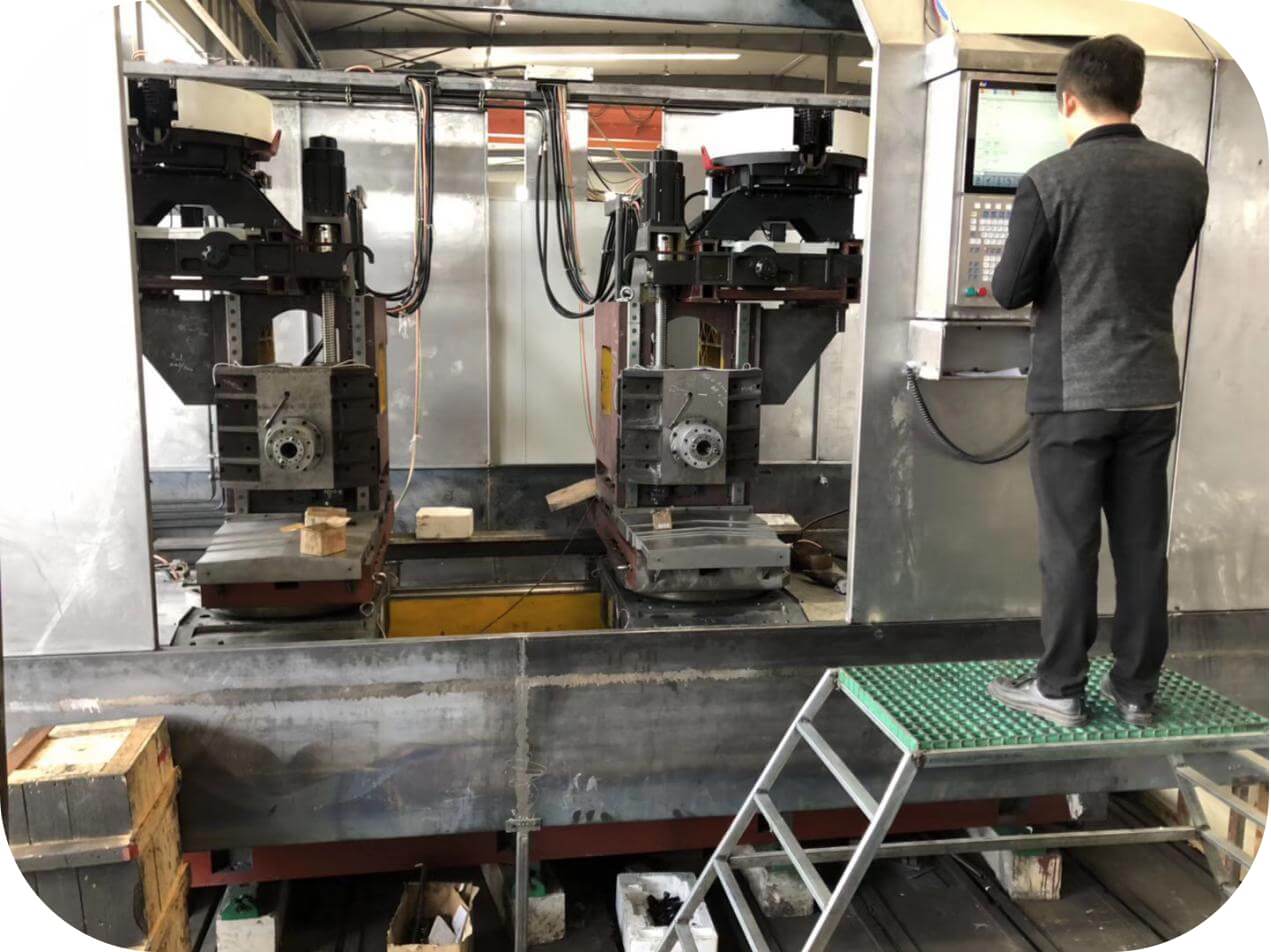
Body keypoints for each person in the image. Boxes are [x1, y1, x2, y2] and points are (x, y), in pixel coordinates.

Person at [985, 34, 1209, 728]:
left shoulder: (1049, 180)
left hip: (1072, 392)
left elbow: (1008, 290)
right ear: (1136, 97)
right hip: (1151, 388)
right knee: (1141, 544)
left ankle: (1059, 687)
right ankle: (1137, 689)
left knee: (1070, 544)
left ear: (1068, 100)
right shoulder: (1187, 175)